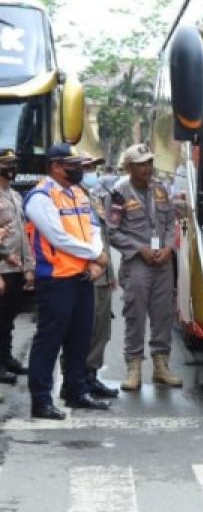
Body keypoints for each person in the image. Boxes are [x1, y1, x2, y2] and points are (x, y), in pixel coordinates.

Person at [24, 144, 111, 419]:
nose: (77, 168)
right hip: (56, 279)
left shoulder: (77, 194)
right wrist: (96, 255)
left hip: (83, 276)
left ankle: (76, 390)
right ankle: (41, 400)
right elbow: (58, 237)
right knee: (49, 341)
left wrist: (95, 260)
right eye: (71, 164)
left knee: (79, 338)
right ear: (55, 167)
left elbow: (94, 227)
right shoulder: (40, 196)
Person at [106, 143, 183, 389]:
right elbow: (112, 231)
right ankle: (134, 367)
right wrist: (139, 249)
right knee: (135, 315)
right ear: (129, 167)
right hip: (137, 263)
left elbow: (171, 223)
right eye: (141, 165)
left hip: (163, 262)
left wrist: (169, 248)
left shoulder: (160, 188)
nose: (147, 168)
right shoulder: (119, 193)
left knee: (163, 315)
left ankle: (161, 366)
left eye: (149, 163)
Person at [77, 155, 119, 399]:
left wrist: (110, 273)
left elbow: (104, 239)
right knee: (85, 330)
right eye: (87, 168)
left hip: (102, 274)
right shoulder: (74, 199)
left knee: (102, 329)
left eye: (94, 168)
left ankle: (91, 376)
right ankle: (77, 378)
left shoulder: (94, 197)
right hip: (87, 274)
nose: (92, 172)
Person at [0, 149, 31, 389]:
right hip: (1, 268)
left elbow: (23, 235)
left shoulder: (15, 196)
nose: (12, 168)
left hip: (16, 268)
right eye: (7, 164)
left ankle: (7, 358)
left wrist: (29, 267)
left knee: (9, 317)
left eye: (13, 163)